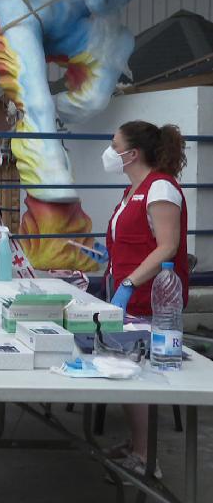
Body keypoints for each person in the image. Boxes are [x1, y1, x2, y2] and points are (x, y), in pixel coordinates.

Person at [102, 121, 189, 476]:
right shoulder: (132, 190)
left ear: (132, 153)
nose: (109, 151)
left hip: (150, 301)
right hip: (127, 297)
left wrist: (129, 283)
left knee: (138, 377)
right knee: (126, 373)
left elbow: (168, 246)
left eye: (114, 144)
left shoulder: (161, 189)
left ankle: (147, 458)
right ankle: (139, 444)